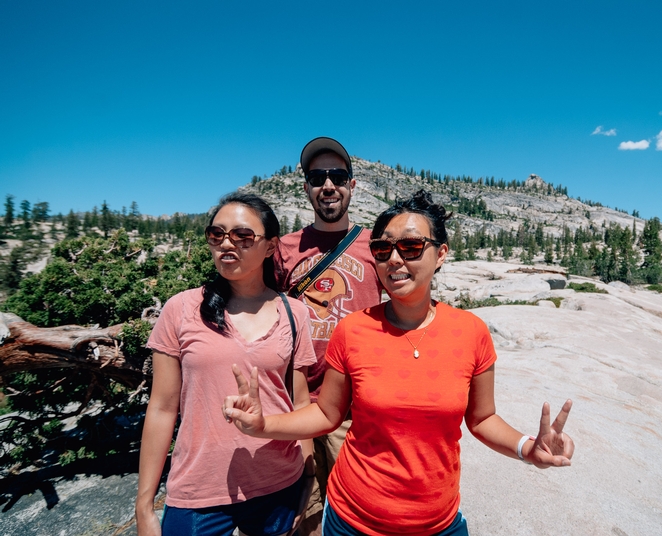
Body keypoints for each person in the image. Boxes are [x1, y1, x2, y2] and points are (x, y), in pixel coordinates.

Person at [224, 190, 575, 535]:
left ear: (441, 254)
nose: (394, 259)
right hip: (352, 521)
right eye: (382, 248)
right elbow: (327, 414)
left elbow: (482, 419)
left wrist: (528, 448)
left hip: (438, 524)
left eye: (410, 247)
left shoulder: (471, 332)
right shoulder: (353, 330)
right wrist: (263, 425)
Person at [136, 192, 317, 536]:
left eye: (243, 236)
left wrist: (308, 477)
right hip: (198, 490)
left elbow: (300, 402)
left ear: (269, 247)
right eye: (216, 235)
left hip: (279, 482)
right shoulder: (180, 309)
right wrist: (144, 505)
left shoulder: (295, 314)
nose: (226, 244)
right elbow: (161, 408)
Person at [273, 137, 383, 535]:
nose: (328, 185)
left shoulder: (376, 246)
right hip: (294, 401)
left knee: (356, 513)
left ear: (352, 185)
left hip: (353, 411)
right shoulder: (284, 249)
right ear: (306, 187)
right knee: (301, 514)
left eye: (337, 176)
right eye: (317, 177)